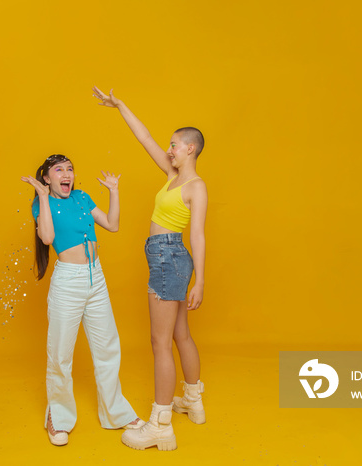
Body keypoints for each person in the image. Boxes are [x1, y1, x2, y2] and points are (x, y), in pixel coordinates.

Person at [93, 87, 208, 451]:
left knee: (160, 343)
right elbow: (143, 138)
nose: (169, 148)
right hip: (166, 257)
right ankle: (192, 400)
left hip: (168, 257)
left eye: (174, 144)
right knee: (179, 336)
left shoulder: (194, 186)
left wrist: (201, 281)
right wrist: (119, 105)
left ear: (190, 148)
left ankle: (160, 426)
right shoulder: (172, 174)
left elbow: (199, 236)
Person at [20, 154, 142, 446]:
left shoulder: (82, 198)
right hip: (68, 282)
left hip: (95, 278)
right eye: (59, 170)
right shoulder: (43, 203)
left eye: (70, 169)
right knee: (61, 354)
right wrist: (42, 196)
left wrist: (114, 191)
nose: (67, 174)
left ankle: (116, 413)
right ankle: (58, 417)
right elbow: (47, 238)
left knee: (107, 347)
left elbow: (112, 225)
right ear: (47, 178)